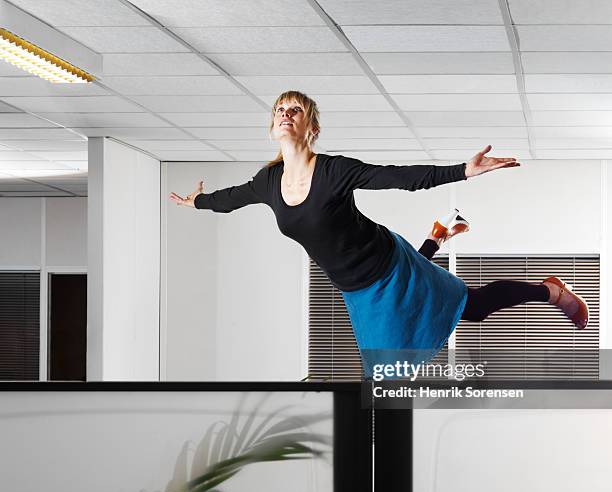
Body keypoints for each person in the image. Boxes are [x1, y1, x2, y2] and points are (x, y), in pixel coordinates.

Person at [169, 91, 589, 372]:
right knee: (386, 368)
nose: (285, 115)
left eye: (294, 109)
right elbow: (229, 199)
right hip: (356, 288)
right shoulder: (267, 181)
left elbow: (399, 177)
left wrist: (464, 171)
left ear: (310, 126)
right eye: (280, 109)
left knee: (469, 310)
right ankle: (438, 237)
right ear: (272, 124)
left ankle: (549, 290)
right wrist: (196, 202)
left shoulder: (333, 170)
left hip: (387, 264)